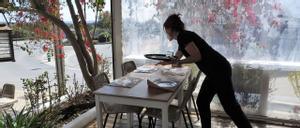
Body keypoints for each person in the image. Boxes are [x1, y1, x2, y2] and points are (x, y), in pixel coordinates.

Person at [159, 14, 252, 128]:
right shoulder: (182, 38)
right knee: (202, 102)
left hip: (219, 70)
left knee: (230, 107)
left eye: (166, 28)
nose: (165, 31)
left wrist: (179, 63)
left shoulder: (184, 37)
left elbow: (197, 56)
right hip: (215, 71)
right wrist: (165, 62)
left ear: (171, 28)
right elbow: (177, 57)